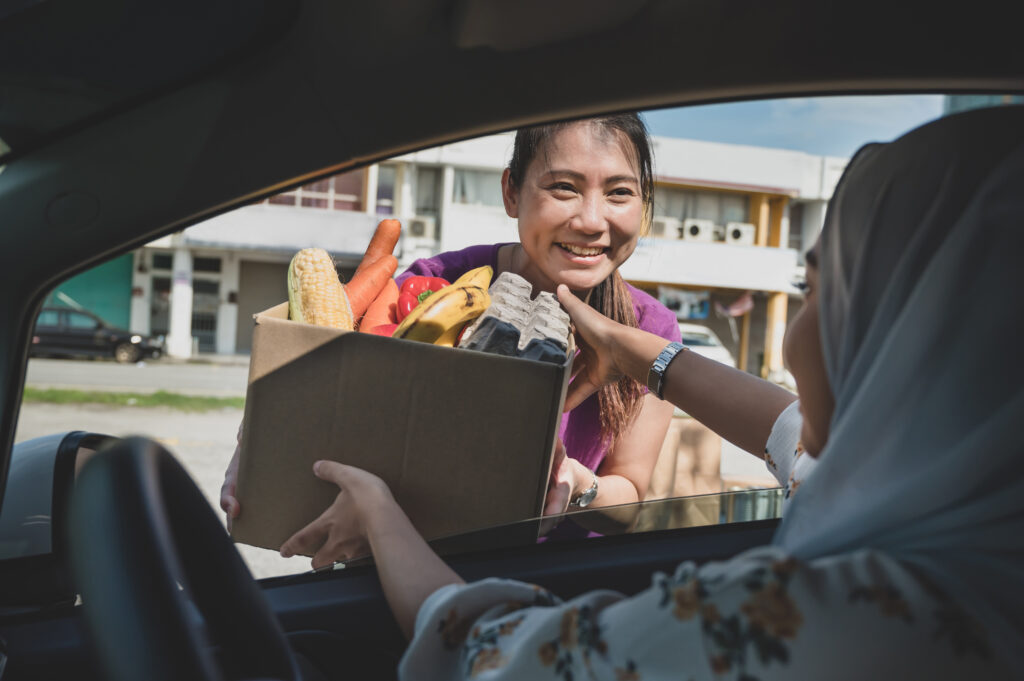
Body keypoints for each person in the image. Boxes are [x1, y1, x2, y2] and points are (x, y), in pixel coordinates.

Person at [280, 104, 1024, 678]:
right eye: (563, 187)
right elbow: (785, 427)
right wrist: (639, 353)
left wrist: (380, 506)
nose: (794, 335)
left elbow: (493, 649)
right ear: (514, 192)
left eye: (819, 292)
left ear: (907, 338)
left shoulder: (788, 619)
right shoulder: (977, 545)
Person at [221, 113, 682, 525]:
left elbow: (630, 496)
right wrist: (260, 437)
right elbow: (337, 397)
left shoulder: (651, 330)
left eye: (620, 193)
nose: (591, 221)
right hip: (413, 551)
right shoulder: (437, 286)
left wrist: (572, 479)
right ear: (511, 192)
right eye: (564, 187)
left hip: (549, 584)